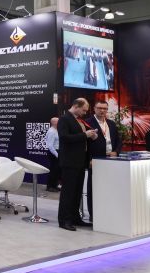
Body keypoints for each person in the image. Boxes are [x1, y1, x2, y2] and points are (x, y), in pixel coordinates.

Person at [57, 98, 98, 231]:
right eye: (83, 110)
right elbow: (64, 138)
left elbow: (80, 138)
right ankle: (64, 220)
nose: (85, 113)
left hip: (80, 161)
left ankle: (75, 218)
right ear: (76, 106)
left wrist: (91, 136)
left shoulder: (78, 120)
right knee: (68, 193)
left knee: (77, 192)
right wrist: (85, 135)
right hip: (69, 161)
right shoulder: (64, 119)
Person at [85, 101, 122, 223]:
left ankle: (108, 212)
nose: (102, 111)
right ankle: (93, 214)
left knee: (109, 186)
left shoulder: (111, 123)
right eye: (100, 108)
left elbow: (118, 140)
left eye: (105, 108)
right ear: (94, 108)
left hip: (111, 159)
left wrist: (116, 152)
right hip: (95, 160)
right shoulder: (87, 123)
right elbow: (85, 144)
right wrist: (89, 159)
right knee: (93, 188)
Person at [45, 117, 60, 192]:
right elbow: (50, 146)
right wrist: (57, 155)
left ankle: (54, 185)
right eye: (58, 121)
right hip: (53, 152)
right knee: (53, 170)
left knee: (57, 170)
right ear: (54, 123)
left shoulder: (56, 130)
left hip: (56, 152)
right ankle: (50, 187)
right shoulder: (51, 131)